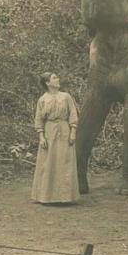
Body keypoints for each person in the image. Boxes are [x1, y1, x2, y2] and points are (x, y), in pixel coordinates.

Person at [31, 72, 80, 204]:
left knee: (65, 162)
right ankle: (46, 197)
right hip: (49, 132)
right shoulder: (42, 99)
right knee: (48, 163)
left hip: (64, 130)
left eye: (57, 77)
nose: (58, 79)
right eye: (54, 78)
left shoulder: (66, 97)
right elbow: (39, 119)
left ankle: (65, 197)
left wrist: (73, 131)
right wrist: (41, 137)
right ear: (48, 83)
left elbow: (73, 114)